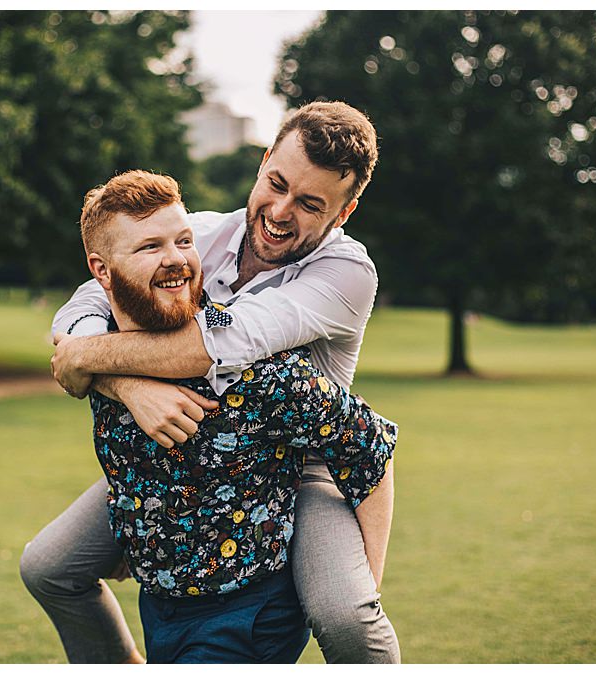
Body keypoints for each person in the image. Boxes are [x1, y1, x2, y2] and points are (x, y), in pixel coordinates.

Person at [23, 101, 401, 663]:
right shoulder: (195, 233)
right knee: (49, 566)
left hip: (300, 463)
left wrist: (91, 363)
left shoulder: (347, 273)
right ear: (265, 160)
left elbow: (215, 345)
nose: (279, 210)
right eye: (276, 183)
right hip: (187, 451)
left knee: (345, 614)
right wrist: (128, 387)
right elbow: (85, 305)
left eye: (310, 204)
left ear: (343, 212)